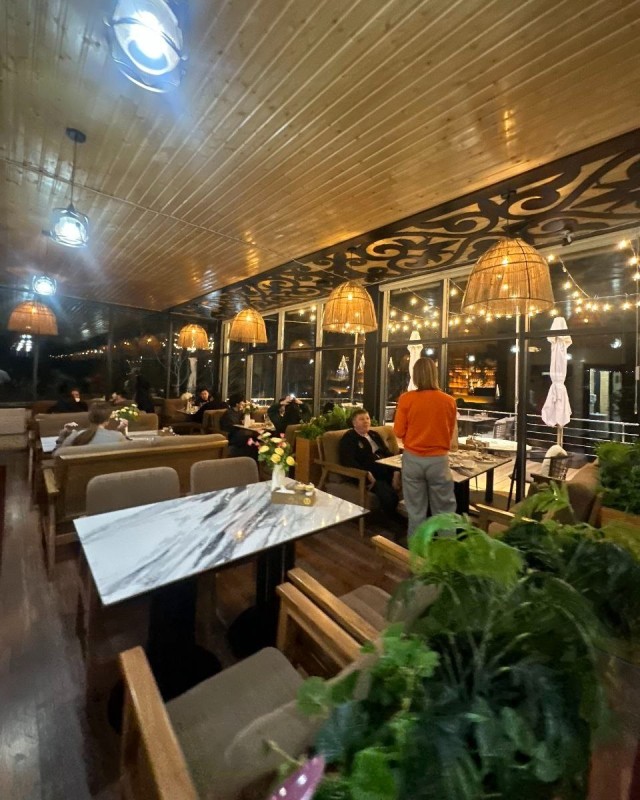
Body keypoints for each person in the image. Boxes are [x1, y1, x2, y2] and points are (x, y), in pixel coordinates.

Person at [393, 357, 458, 536]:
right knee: (444, 512)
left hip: (413, 459)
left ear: (415, 376)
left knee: (415, 512)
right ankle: (447, 548)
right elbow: (450, 431)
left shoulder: (406, 399)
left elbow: (398, 431)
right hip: (438, 460)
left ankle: (417, 550)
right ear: (434, 374)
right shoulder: (449, 401)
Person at [339, 408, 400, 515]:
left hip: (386, 469)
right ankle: (391, 520)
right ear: (354, 423)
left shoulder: (374, 435)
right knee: (388, 495)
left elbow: (387, 453)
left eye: (367, 418)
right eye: (361, 419)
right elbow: (348, 461)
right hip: (369, 475)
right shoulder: (349, 438)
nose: (366, 421)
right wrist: (366, 473)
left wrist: (396, 471)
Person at [56, 402, 126, 448]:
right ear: (107, 421)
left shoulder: (76, 436)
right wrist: (121, 431)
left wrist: (61, 437)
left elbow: (57, 455)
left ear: (89, 418)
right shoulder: (118, 437)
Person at [219, 393, 258, 459]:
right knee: (250, 439)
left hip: (240, 433)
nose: (243, 403)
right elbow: (231, 427)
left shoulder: (241, 412)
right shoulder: (228, 413)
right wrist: (241, 423)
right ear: (237, 404)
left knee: (255, 438)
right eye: (242, 402)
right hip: (232, 436)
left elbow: (245, 421)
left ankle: (253, 460)